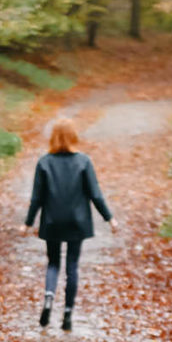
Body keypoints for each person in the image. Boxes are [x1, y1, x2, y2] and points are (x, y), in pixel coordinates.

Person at [24, 120, 115, 331]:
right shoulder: (83, 161)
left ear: (53, 137)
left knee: (53, 263)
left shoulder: (44, 162)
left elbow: (36, 198)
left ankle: (48, 298)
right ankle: (67, 314)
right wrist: (109, 217)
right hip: (77, 222)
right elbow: (95, 194)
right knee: (72, 265)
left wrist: (28, 223)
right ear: (74, 136)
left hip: (52, 221)